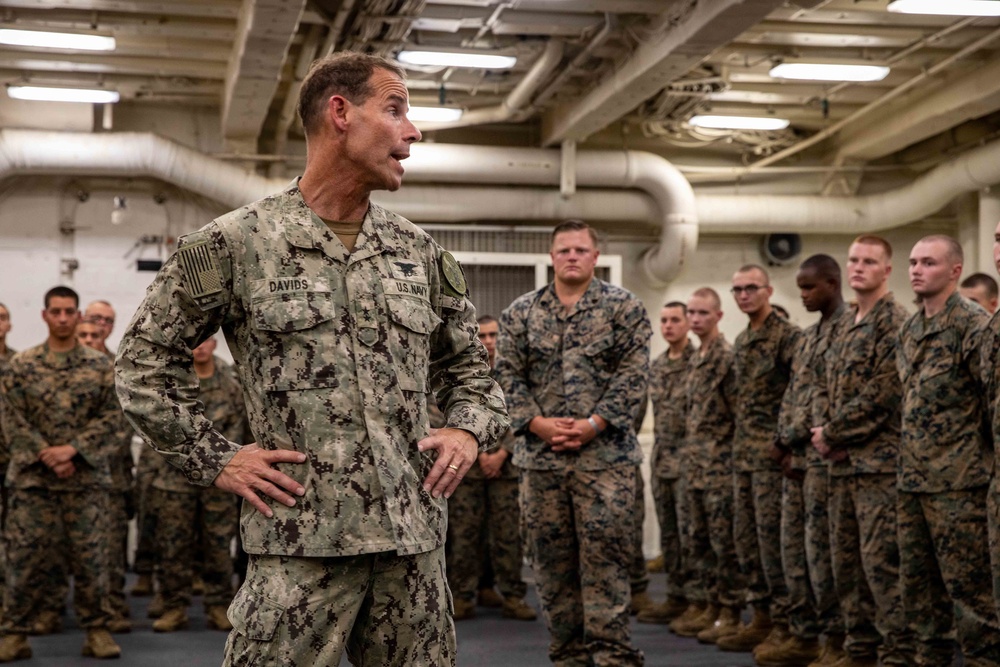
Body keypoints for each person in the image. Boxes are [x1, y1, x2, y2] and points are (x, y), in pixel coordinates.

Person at [115, 52, 508, 666]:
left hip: (413, 552)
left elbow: (471, 372)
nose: (415, 131)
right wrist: (217, 458)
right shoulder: (236, 243)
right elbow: (142, 363)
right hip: (301, 549)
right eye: (396, 109)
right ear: (340, 113)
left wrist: (465, 428)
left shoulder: (419, 253)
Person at [497, 219, 650, 666]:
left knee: (606, 562)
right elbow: (507, 375)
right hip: (541, 462)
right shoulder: (521, 312)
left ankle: (612, 657)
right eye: (563, 250)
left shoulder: (625, 308)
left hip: (605, 461)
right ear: (551, 256)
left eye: (581, 250)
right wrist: (538, 424)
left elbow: (634, 373)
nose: (572, 256)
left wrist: (594, 423)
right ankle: (568, 655)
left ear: (595, 256)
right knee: (550, 565)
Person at [0, 286, 122, 661]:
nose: (64, 318)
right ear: (44, 315)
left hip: (84, 481)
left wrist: (74, 450)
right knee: (22, 558)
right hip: (33, 481)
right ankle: (14, 633)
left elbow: (114, 418)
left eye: (70, 312)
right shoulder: (21, 366)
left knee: (92, 559)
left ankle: (97, 630)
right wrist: (45, 453)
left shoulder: (101, 367)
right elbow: (10, 418)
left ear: (79, 314)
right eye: (57, 312)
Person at [896, 235, 1000, 666]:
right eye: (913, 262)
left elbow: (990, 401)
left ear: (955, 271)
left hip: (959, 484)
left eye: (929, 263)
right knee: (919, 590)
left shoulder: (972, 325)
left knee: (970, 594)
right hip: (913, 480)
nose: (917, 270)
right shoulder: (910, 327)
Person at [811, 235, 914, 667]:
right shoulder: (844, 321)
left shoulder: (896, 321)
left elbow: (883, 394)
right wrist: (824, 434)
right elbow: (821, 382)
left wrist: (833, 433)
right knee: (845, 565)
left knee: (882, 567)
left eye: (869, 261)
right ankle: (860, 648)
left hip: (878, 466)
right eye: (853, 260)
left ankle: (896, 652)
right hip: (839, 465)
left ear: (887, 270)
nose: (858, 268)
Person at [758, 255, 847, 666]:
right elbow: (794, 396)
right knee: (798, 555)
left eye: (810, 287)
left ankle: (838, 641)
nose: (804, 295)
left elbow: (826, 401)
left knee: (830, 558)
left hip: (829, 460)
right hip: (799, 460)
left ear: (832, 283)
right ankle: (805, 633)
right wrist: (785, 444)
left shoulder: (849, 330)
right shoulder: (810, 338)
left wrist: (791, 440)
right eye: (801, 287)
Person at [716, 265, 800, 655]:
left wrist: (786, 442)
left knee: (773, 546)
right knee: (747, 543)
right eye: (737, 290)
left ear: (768, 290)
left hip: (774, 459)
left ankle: (787, 625)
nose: (743, 295)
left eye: (751, 288)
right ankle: (762, 619)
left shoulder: (787, 336)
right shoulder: (742, 339)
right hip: (743, 457)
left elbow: (802, 393)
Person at [445, 315, 536, 622]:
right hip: (468, 469)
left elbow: (523, 413)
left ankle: (513, 596)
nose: (489, 340)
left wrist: (502, 453)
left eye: (494, 334)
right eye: (482, 334)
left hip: (507, 469)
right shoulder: (462, 373)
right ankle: (463, 595)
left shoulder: (515, 375)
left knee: (509, 535)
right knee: (465, 535)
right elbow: (451, 412)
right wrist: (482, 453)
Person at [151, 336, 245, 633]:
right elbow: (161, 426)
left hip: (219, 479)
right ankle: (174, 606)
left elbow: (235, 430)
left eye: (206, 341)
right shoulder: (170, 381)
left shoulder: (231, 385)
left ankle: (218, 604)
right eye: (195, 341)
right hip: (175, 476)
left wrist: (215, 464)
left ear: (215, 344)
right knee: (174, 545)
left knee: (217, 543)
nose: (199, 346)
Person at [667, 288, 745, 644]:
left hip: (719, 466)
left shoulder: (727, 358)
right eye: (692, 313)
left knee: (722, 543)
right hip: (694, 464)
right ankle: (709, 605)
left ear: (718, 316)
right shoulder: (699, 358)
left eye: (702, 313)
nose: (696, 319)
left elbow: (737, 415)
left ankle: (729, 610)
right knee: (697, 540)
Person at [637, 302, 693, 625]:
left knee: (692, 536)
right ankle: (675, 596)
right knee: (669, 535)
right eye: (665, 320)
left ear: (687, 324)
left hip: (691, 460)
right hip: (663, 460)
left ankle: (699, 599)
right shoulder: (656, 366)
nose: (669, 326)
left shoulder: (697, 362)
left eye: (675, 320)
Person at [76, 317, 133, 634]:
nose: (88, 340)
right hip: (68, 476)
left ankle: (110, 609)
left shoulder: (119, 374)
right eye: (82, 335)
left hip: (110, 477)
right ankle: (48, 608)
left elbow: (122, 428)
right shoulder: (63, 374)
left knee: (109, 550)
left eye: (94, 335)